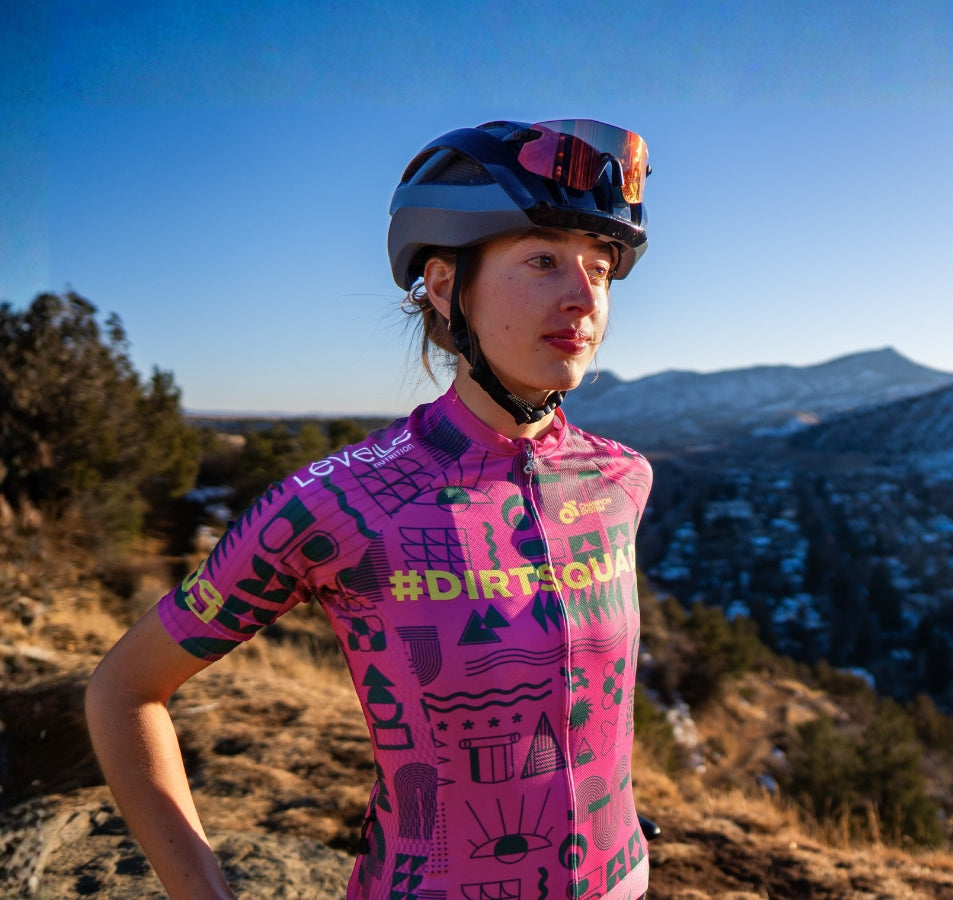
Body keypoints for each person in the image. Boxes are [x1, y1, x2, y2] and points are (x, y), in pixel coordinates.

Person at [86, 119, 656, 900]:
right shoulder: (336, 502)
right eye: (543, 260)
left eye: (600, 267)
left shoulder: (622, 479)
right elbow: (124, 691)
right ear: (449, 285)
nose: (584, 296)